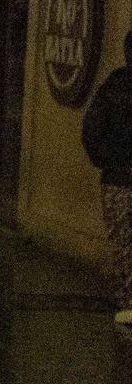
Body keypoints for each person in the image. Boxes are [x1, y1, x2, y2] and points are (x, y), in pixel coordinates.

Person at [82, 30, 132, 328]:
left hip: (117, 181)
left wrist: (109, 159)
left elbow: (91, 132)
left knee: (124, 244)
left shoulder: (111, 90)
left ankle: (129, 302)